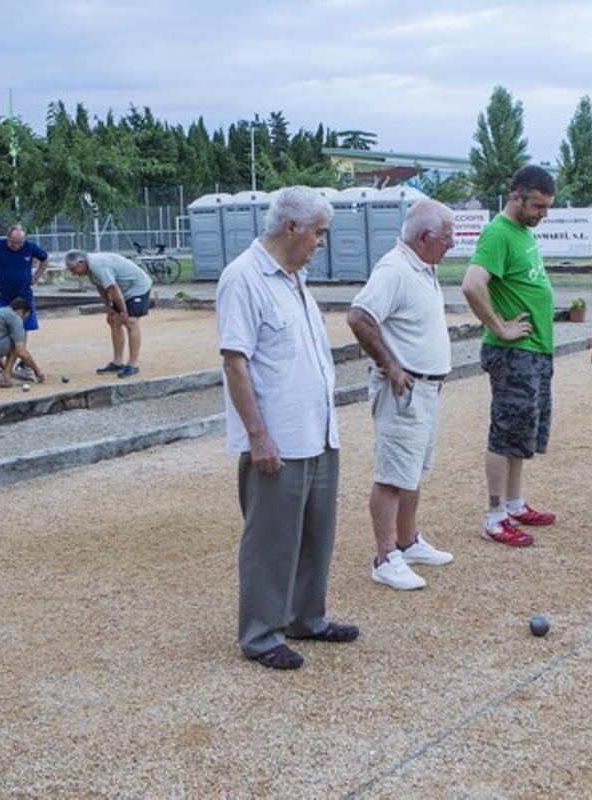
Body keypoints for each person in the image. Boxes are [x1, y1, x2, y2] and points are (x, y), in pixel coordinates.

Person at [216, 186, 358, 670]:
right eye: (319, 232)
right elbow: (236, 362)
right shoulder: (245, 278)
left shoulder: (295, 279)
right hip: (277, 437)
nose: (322, 242)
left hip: (317, 431)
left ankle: (306, 618)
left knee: (317, 534)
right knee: (271, 541)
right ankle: (260, 634)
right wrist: (257, 435)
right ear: (292, 227)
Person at [347, 199, 456, 591]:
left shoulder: (423, 267)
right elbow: (359, 317)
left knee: (411, 471)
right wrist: (391, 365)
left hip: (427, 387)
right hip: (405, 389)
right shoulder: (395, 269)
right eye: (447, 236)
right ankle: (385, 556)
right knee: (392, 475)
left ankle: (408, 542)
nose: (453, 243)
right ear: (425, 237)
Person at [460, 165, 559, 548]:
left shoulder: (521, 232)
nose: (543, 214)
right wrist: (500, 326)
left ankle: (515, 505)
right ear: (516, 196)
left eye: (547, 207)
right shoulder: (498, 233)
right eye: (537, 206)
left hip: (533, 353)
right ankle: (495, 515)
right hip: (513, 353)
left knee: (522, 430)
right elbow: (472, 284)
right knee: (505, 432)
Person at [64, 250, 153, 378]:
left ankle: (132, 365)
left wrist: (123, 310)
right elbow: (101, 286)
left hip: (137, 286)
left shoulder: (98, 265)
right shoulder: (89, 269)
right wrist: (108, 305)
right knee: (114, 321)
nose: (73, 273)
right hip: (123, 290)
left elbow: (113, 288)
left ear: (81, 262)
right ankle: (117, 362)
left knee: (131, 321)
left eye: (73, 269)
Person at [0, 224, 48, 381]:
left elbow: (45, 259)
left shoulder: (30, 247)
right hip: (4, 297)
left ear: (25, 239)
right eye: (13, 243)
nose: (16, 246)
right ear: (8, 238)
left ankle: (23, 365)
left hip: (24, 297)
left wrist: (36, 277)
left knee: (22, 332)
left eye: (20, 243)